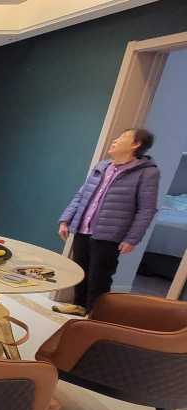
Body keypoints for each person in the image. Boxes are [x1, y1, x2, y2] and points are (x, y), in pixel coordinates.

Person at [55, 128, 159, 316]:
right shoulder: (102, 166)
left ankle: (95, 315)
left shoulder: (147, 173)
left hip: (109, 235)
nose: (115, 140)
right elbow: (81, 195)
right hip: (83, 229)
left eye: (122, 137)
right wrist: (65, 220)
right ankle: (79, 306)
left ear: (136, 144)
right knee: (80, 271)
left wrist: (132, 238)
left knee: (99, 278)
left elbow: (147, 209)